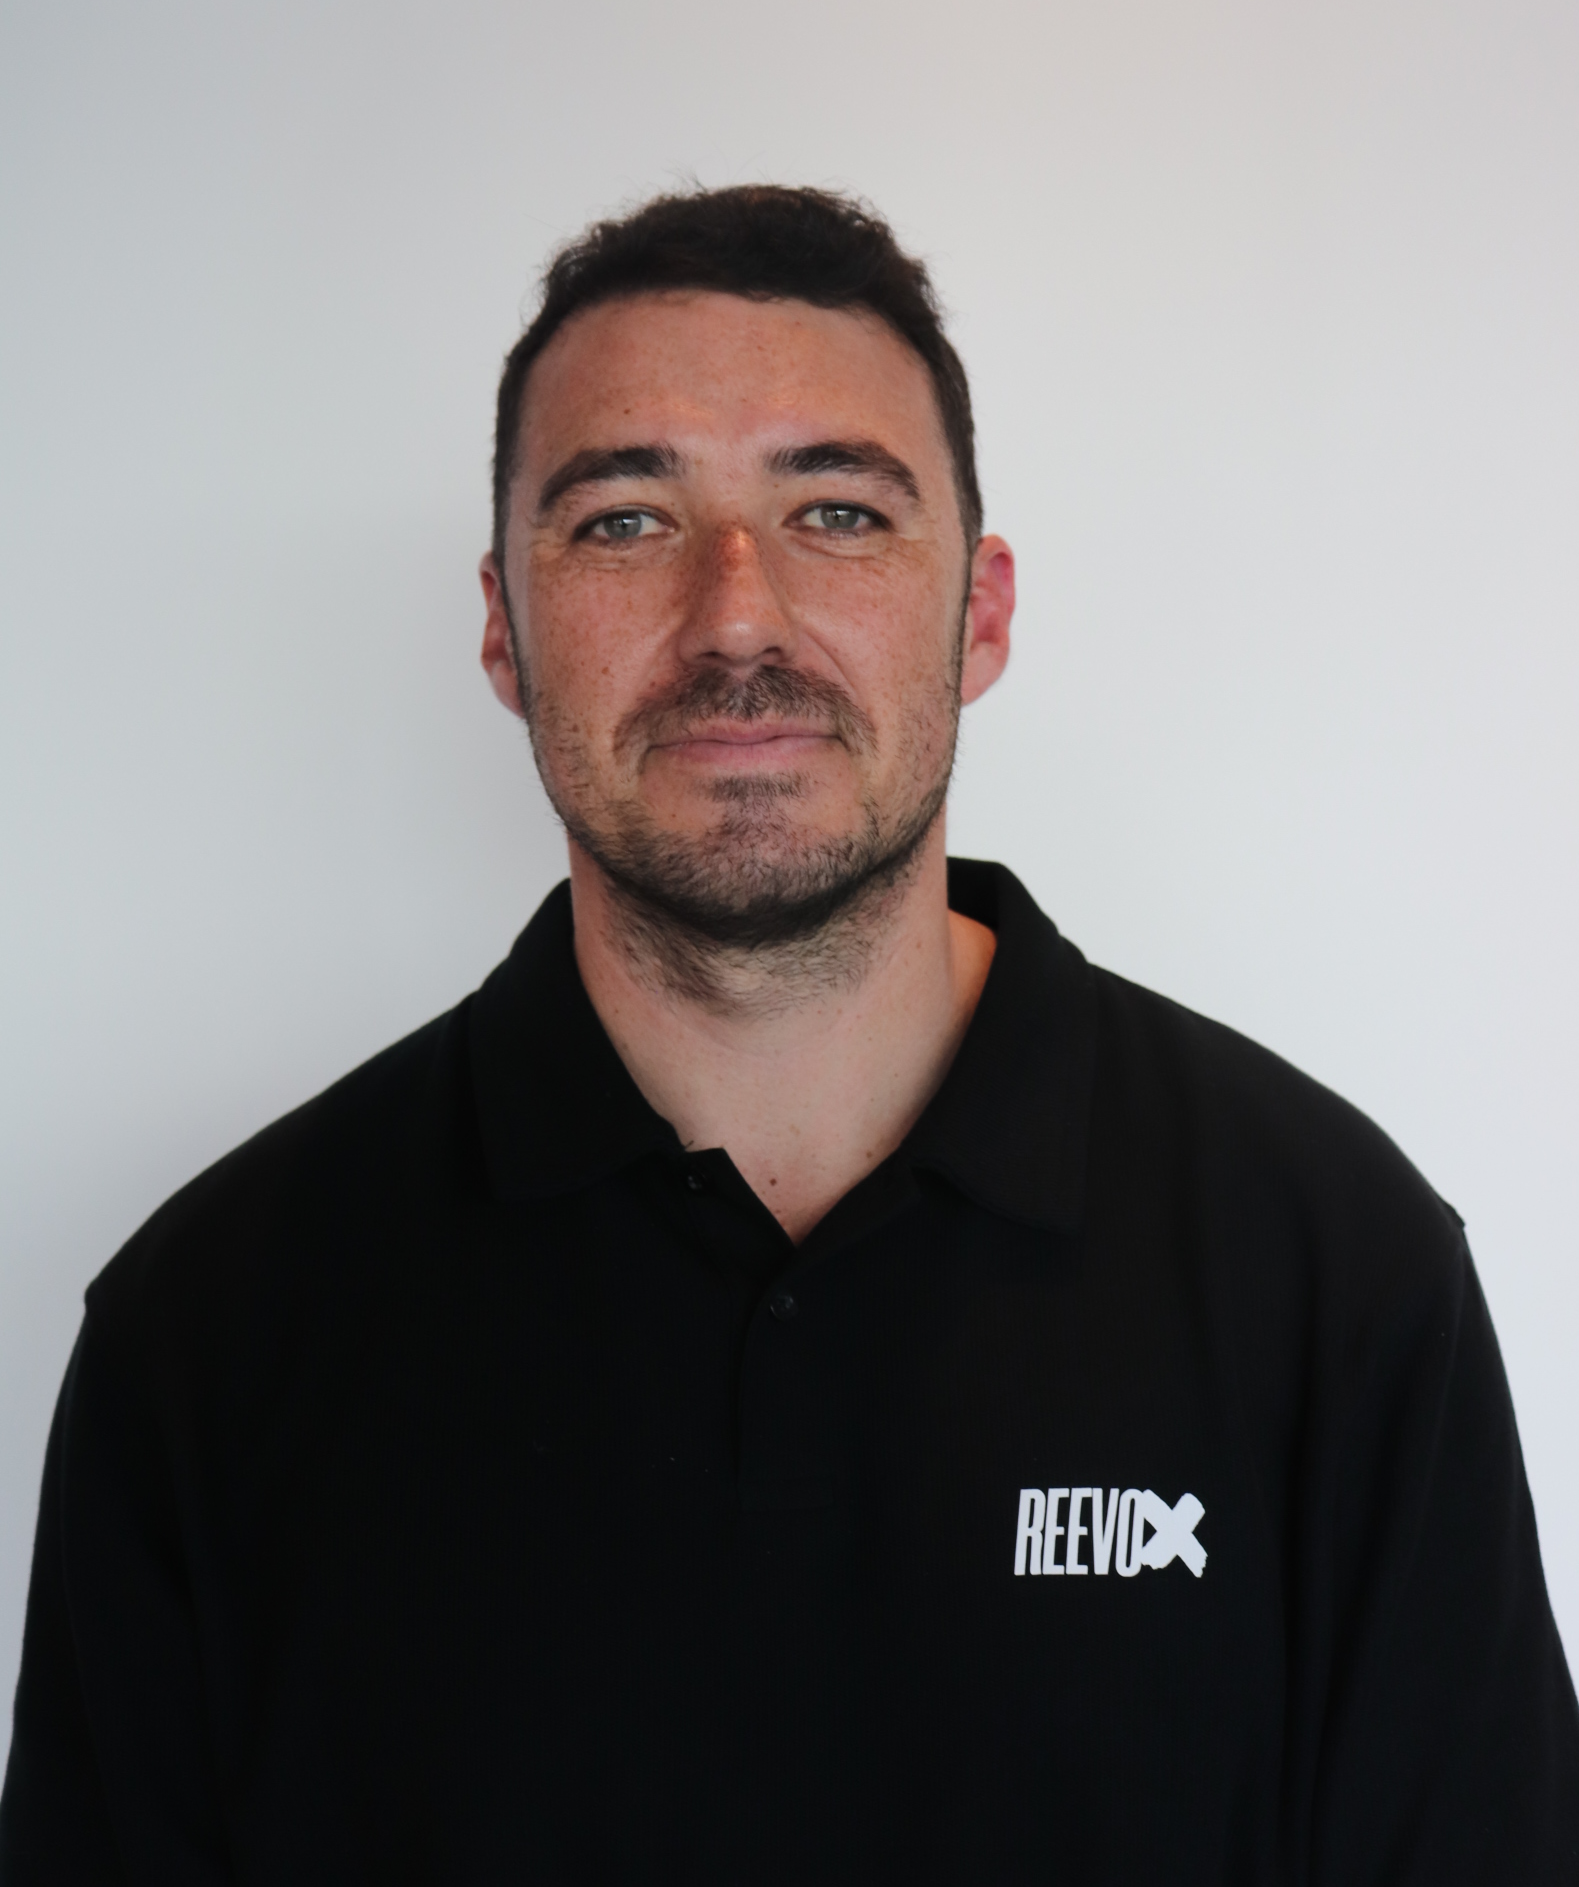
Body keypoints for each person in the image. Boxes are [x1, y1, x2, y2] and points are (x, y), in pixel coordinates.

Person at [2, 184, 1575, 1885]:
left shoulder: (1331, 1271)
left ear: (977, 613)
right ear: (498, 628)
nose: (735, 616)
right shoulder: (213, 1328)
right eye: (620, 521)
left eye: (834, 510)